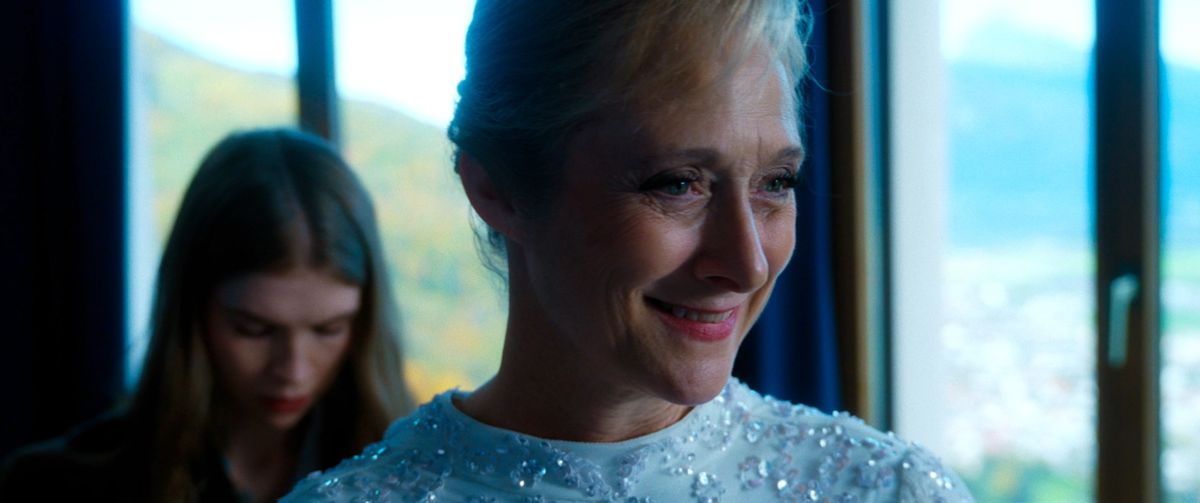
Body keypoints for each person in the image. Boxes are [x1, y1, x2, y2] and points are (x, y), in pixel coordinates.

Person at [286, 0, 975, 501]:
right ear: (497, 189)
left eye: (775, 183)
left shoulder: (891, 489)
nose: (748, 262)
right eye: (677, 183)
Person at [0, 128, 413, 502]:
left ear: (364, 321)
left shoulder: (414, 473)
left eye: (328, 329)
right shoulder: (55, 485)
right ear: (192, 308)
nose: (292, 370)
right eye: (253, 329)